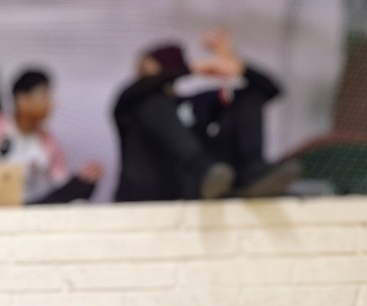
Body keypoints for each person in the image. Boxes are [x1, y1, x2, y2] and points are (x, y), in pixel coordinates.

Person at [113, 29, 299, 203]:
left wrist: (237, 63)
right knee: (152, 104)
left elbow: (269, 90)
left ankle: (252, 171)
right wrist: (193, 68)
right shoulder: (132, 106)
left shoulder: (196, 103)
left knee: (248, 97)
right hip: (149, 195)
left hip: (195, 189)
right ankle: (202, 168)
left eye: (150, 65)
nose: (144, 72)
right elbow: (135, 92)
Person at [0, 68, 101, 204]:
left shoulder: (48, 142)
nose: (52, 103)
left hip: (31, 208)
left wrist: (80, 180)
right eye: (44, 95)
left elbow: (60, 185)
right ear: (22, 100)